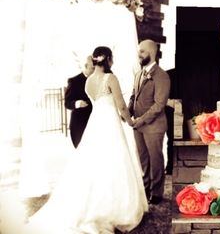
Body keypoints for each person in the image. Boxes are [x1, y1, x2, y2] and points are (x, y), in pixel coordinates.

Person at [23, 46, 148, 234]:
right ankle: (115, 206)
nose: (113, 61)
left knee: (93, 162)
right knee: (114, 161)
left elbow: (96, 101)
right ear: (107, 58)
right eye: (112, 57)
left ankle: (93, 200)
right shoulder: (110, 78)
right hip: (110, 124)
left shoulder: (89, 80)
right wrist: (130, 121)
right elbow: (121, 105)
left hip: (95, 123)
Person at [129, 39, 170, 205]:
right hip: (137, 125)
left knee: (155, 160)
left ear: (152, 53)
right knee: (143, 159)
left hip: (153, 126)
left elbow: (159, 105)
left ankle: (157, 194)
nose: (139, 54)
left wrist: (140, 121)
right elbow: (134, 95)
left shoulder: (161, 76)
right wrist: (128, 112)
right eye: (139, 51)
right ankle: (145, 191)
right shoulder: (138, 74)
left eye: (142, 51)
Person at [64, 56, 94, 148]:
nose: (94, 71)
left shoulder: (97, 80)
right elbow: (67, 103)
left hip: (94, 123)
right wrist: (77, 103)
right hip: (79, 124)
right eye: (92, 68)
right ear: (86, 66)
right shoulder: (73, 81)